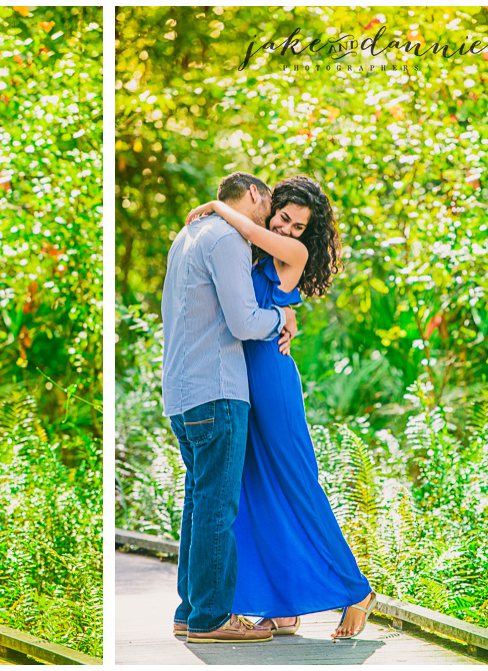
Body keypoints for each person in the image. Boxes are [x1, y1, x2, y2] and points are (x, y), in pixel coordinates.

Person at [184, 175, 377, 640]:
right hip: (239, 379)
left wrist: (216, 204)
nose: (287, 230)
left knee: (296, 484)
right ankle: (283, 607)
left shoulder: (292, 252)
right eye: (283, 218)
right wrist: (284, 314)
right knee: (256, 492)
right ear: (272, 210)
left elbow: (250, 232)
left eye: (297, 226)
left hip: (272, 379)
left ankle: (358, 591)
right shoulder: (251, 252)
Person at [161, 172, 297, 643]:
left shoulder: (188, 235)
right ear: (254, 195)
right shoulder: (228, 239)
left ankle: (191, 609)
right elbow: (242, 321)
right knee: (218, 505)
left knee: (199, 504)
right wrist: (282, 317)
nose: (270, 220)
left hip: (181, 392)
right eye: (270, 206)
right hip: (217, 389)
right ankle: (213, 618)